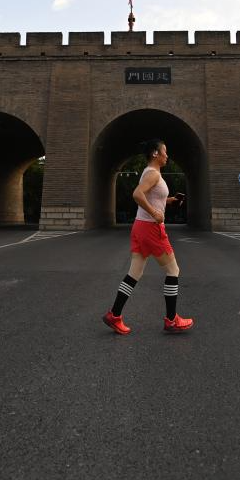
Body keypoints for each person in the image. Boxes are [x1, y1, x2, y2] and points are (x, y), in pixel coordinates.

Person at [103, 139, 194, 335]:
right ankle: (171, 320)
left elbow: (152, 197)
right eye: (165, 152)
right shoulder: (153, 174)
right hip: (151, 228)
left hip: (140, 226)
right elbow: (138, 194)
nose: (167, 155)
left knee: (134, 273)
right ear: (155, 153)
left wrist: (169, 201)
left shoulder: (150, 173)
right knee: (173, 270)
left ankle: (114, 314)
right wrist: (154, 213)